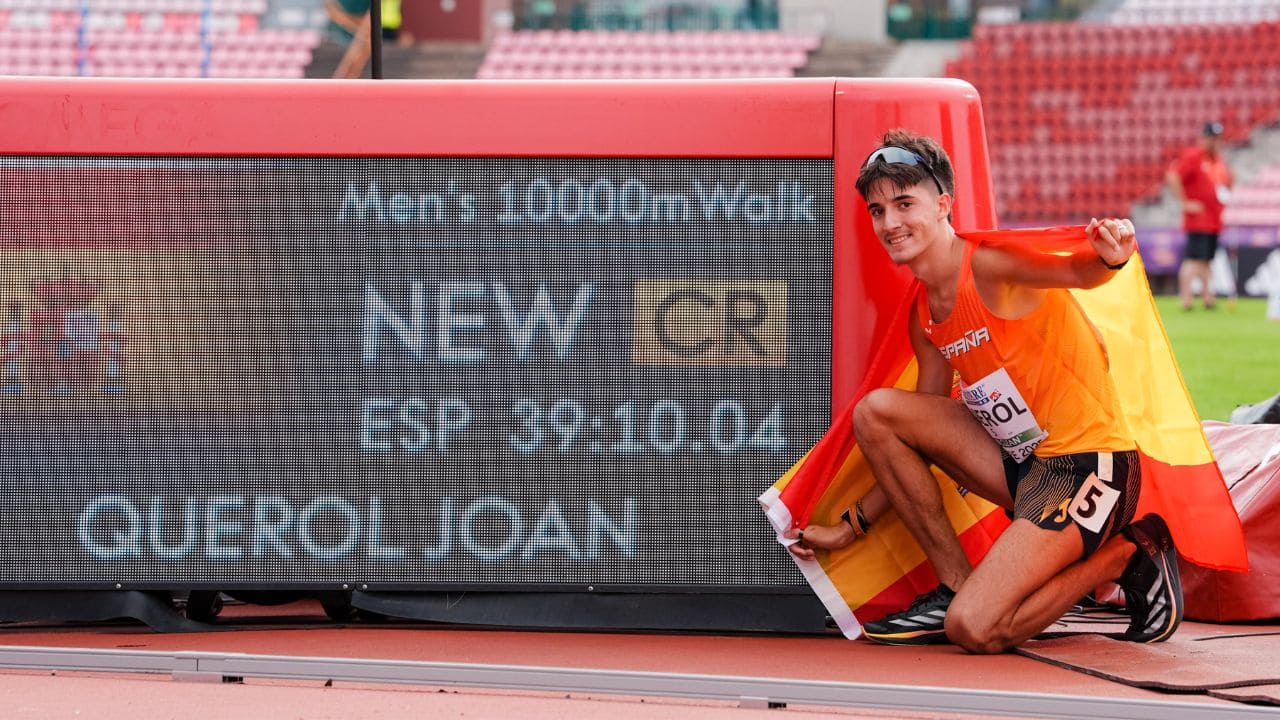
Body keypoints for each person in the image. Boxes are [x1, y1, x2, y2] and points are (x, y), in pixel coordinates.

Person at [785, 129, 1183, 653]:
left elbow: (1073, 271)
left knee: (976, 629)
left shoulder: (988, 265)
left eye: (904, 203)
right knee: (878, 413)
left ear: (944, 203)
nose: (890, 222)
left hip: (1090, 465)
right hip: (1026, 469)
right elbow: (913, 440)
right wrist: (849, 526)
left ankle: (1127, 553)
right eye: (878, 210)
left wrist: (1109, 257)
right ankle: (955, 584)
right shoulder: (924, 314)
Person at [1166, 122, 1233, 311]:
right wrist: (1184, 202)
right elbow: (1173, 176)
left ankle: (1207, 297)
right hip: (1199, 220)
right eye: (1213, 138)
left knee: (1206, 260)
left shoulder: (1217, 161)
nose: (1216, 142)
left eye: (1218, 139)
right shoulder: (1194, 156)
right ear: (1205, 138)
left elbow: (1222, 188)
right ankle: (1186, 299)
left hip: (1213, 220)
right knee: (1193, 260)